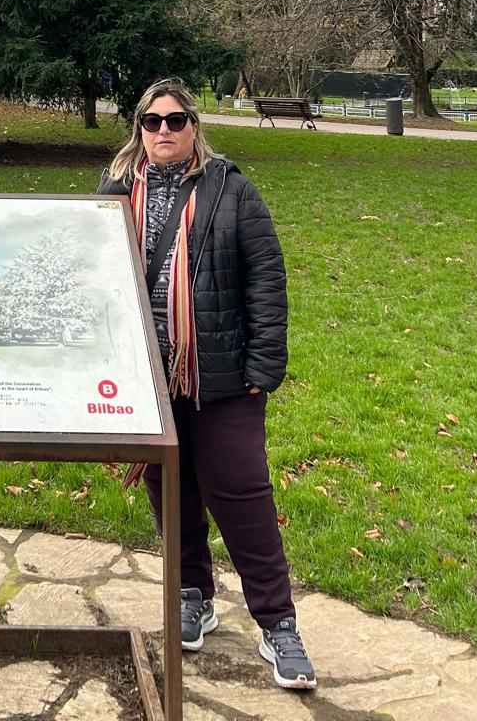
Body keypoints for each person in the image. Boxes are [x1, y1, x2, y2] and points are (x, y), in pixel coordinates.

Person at [98, 78, 316, 691]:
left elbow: (265, 278)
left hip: (221, 374)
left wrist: (263, 368)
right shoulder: (115, 190)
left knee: (241, 494)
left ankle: (278, 624)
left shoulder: (231, 189)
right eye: (152, 121)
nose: (163, 130)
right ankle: (192, 593)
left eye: (176, 119)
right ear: (139, 129)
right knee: (171, 488)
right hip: (147, 374)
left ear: (195, 126)